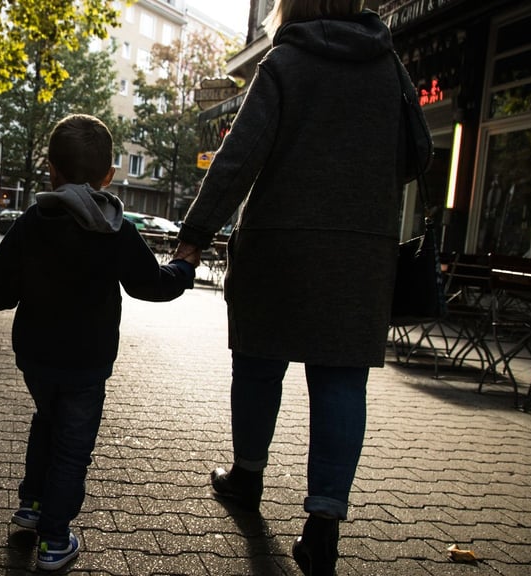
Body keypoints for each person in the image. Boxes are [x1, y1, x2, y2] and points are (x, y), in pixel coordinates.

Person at [173, 1, 432, 575]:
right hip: (360, 251)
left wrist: (193, 237)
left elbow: (238, 159)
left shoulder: (286, 62)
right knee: (341, 382)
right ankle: (323, 527)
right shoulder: (388, 65)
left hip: (279, 245)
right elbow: (420, 151)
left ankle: (247, 476)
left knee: (260, 365)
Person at [0, 113, 196, 571]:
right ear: (109, 176)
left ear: (50, 170)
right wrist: (183, 269)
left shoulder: (31, 223)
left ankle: (33, 504)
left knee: (47, 420)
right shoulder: (115, 229)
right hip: (87, 363)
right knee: (73, 445)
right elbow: (150, 284)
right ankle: (55, 540)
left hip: (35, 358)